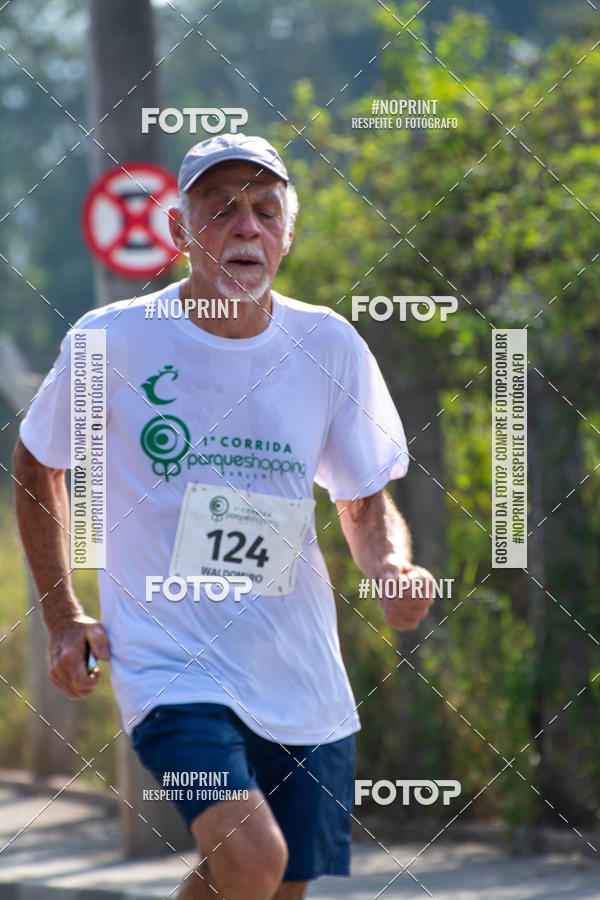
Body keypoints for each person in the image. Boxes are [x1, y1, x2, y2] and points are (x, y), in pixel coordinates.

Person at [13, 133, 435, 900]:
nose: (246, 226)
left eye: (265, 210)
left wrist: (388, 567)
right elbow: (39, 459)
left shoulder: (328, 345)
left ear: (287, 235)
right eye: (220, 208)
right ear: (178, 233)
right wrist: (63, 614)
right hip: (171, 666)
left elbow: (363, 497)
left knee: (277, 888)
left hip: (299, 674)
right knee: (251, 860)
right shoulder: (111, 341)